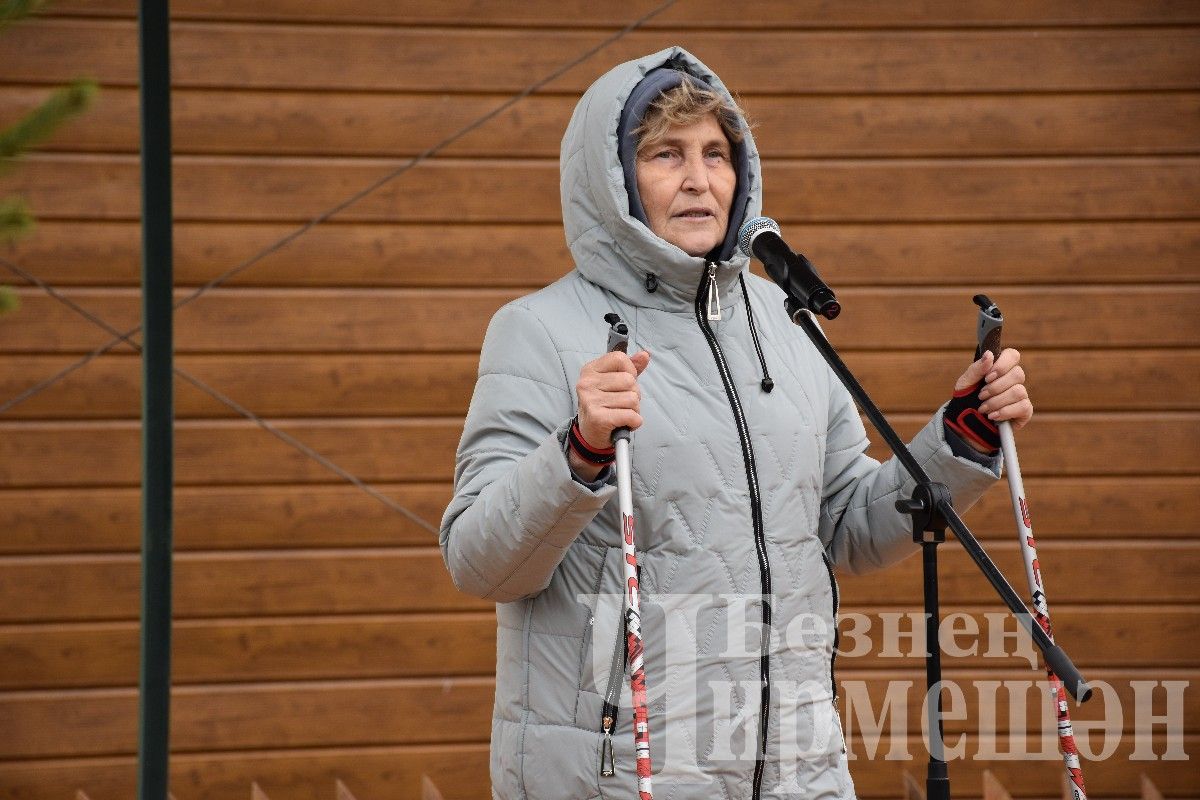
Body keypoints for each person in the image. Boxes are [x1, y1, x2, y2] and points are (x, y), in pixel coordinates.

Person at [440, 47, 1032, 800]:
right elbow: (480, 561)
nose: (699, 179)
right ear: (615, 181)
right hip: (627, 776)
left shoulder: (789, 326)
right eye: (666, 154)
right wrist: (578, 453)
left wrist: (961, 439)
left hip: (798, 770)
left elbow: (846, 524)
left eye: (716, 154)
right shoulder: (541, 331)